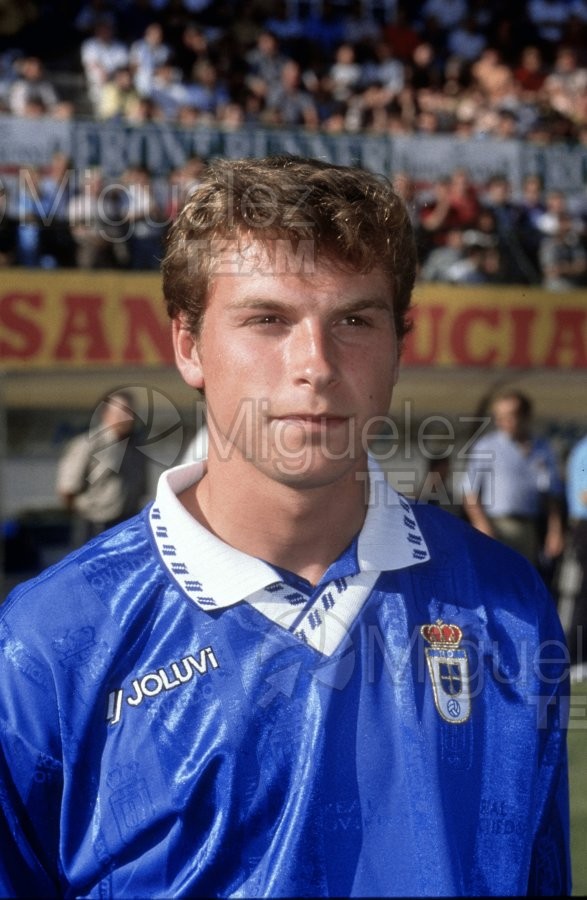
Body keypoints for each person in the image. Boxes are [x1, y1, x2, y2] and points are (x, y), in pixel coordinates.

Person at [0, 156, 571, 897]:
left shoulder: (506, 605)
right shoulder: (44, 642)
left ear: (401, 343)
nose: (316, 365)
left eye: (355, 321)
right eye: (267, 319)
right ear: (187, 344)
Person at [463, 388, 565, 573]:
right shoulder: (486, 446)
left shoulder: (542, 448)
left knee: (525, 582)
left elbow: (551, 495)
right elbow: (469, 492)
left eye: (510, 416)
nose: (503, 422)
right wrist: (482, 525)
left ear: (526, 416)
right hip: (495, 526)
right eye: (499, 416)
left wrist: (555, 531)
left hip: (528, 528)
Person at [55, 388, 148, 546]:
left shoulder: (136, 448)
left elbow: (142, 488)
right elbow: (67, 489)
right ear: (106, 414)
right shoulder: (87, 445)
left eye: (130, 413)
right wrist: (88, 514)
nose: (126, 418)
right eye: (121, 412)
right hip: (94, 527)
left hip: (127, 526)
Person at [566, 433, 587, 667]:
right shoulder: (585, 450)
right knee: (585, 594)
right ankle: (578, 654)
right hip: (585, 527)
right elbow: (584, 495)